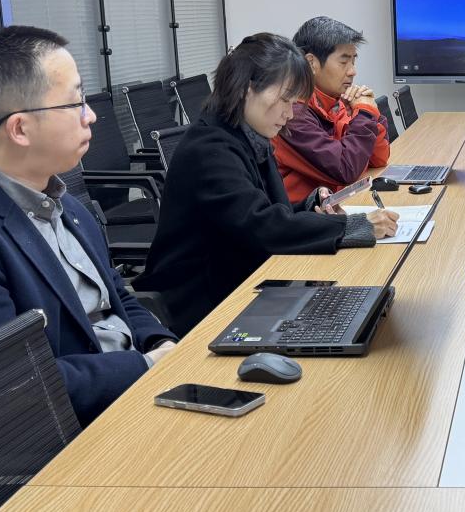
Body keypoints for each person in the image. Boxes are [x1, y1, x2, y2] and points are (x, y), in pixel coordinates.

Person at [0, 25, 176, 425]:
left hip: (134, 395)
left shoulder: (59, 200)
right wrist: (146, 367)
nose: (90, 115)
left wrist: (163, 345)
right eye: (76, 102)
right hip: (74, 434)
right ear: (20, 128)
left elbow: (117, 297)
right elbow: (9, 386)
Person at [137, 33, 398, 336]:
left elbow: (264, 212)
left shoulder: (248, 135)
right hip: (204, 306)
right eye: (285, 100)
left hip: (247, 284)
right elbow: (262, 228)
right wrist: (357, 226)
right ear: (246, 89)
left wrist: (311, 205)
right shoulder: (209, 149)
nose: (290, 113)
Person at [274, 16, 391, 203]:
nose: (352, 71)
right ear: (311, 63)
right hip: (302, 216)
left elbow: (378, 159)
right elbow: (346, 169)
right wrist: (365, 113)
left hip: (334, 206)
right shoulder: (292, 114)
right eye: (344, 62)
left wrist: (368, 112)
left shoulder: (337, 102)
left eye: (353, 61)